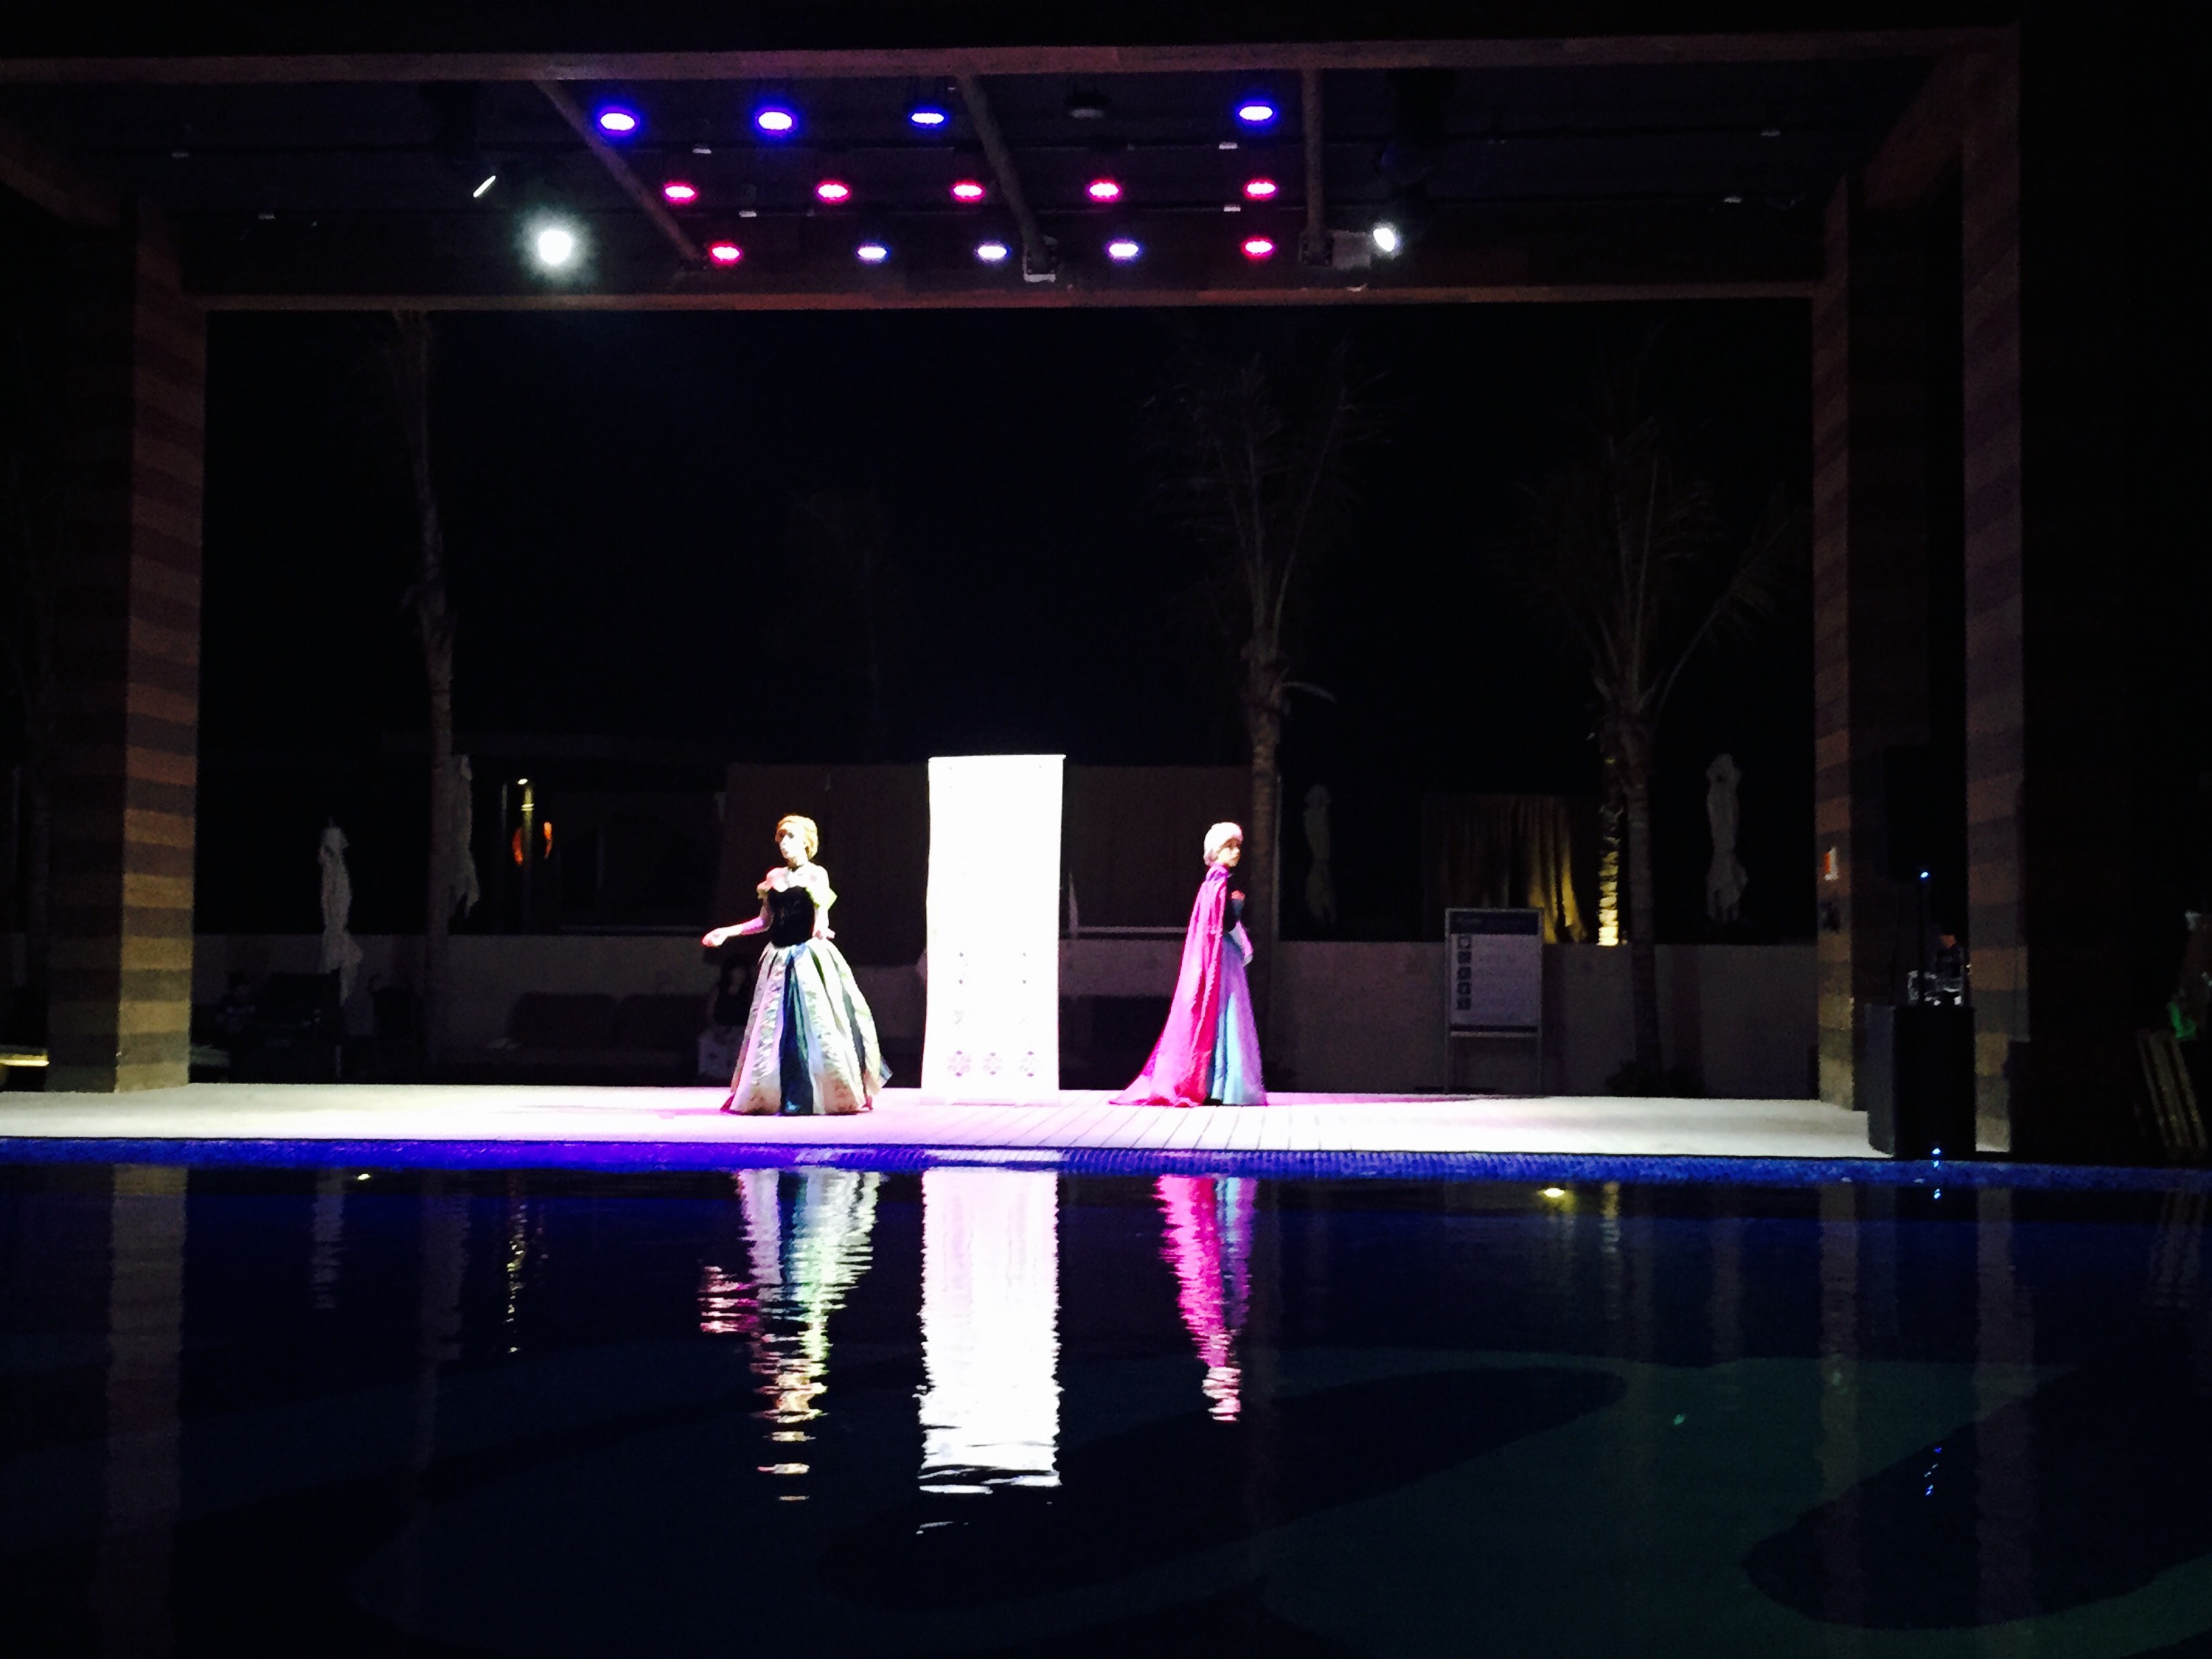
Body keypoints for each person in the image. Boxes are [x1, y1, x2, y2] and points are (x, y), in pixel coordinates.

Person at [701, 814, 887, 1115]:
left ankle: (827, 1091)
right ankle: (767, 1092)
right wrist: (727, 932)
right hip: (778, 957)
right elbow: (764, 922)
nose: (784, 843)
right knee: (771, 1027)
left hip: (806, 957)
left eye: (790, 837)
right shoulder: (774, 877)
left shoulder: (817, 875)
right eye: (781, 838)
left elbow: (821, 916)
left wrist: (822, 930)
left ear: (806, 842)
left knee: (819, 1024)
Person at [1114, 821, 1267, 1107]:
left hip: (1221, 956)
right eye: (1229, 846)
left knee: (1221, 1015)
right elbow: (1227, 921)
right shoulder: (1219, 883)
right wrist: (1244, 942)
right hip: (1224, 957)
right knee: (1228, 1014)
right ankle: (1222, 1086)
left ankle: (1216, 1085)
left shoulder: (1213, 882)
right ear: (1216, 850)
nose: (1236, 852)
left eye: (1237, 846)